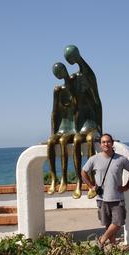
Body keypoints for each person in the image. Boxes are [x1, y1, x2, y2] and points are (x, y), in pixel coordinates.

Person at [81, 133, 129, 248]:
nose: (106, 144)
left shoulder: (121, 159)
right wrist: (91, 186)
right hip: (102, 199)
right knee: (108, 225)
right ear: (100, 145)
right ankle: (112, 247)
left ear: (112, 143)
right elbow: (83, 172)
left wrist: (127, 186)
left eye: (108, 142)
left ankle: (101, 240)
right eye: (103, 142)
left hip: (117, 198)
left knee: (118, 223)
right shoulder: (94, 159)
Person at [64, 45, 103, 199]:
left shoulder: (88, 74)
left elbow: (97, 101)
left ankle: (92, 182)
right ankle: (79, 182)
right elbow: (73, 105)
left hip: (93, 123)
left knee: (88, 139)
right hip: (83, 124)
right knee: (76, 139)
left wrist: (100, 127)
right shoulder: (75, 78)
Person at [47, 63, 77, 196]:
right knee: (50, 142)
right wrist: (53, 132)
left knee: (64, 141)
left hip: (73, 128)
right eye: (56, 73)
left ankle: (64, 178)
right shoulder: (57, 90)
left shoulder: (76, 86)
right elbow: (54, 112)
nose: (59, 74)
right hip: (61, 128)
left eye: (60, 71)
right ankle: (54, 179)